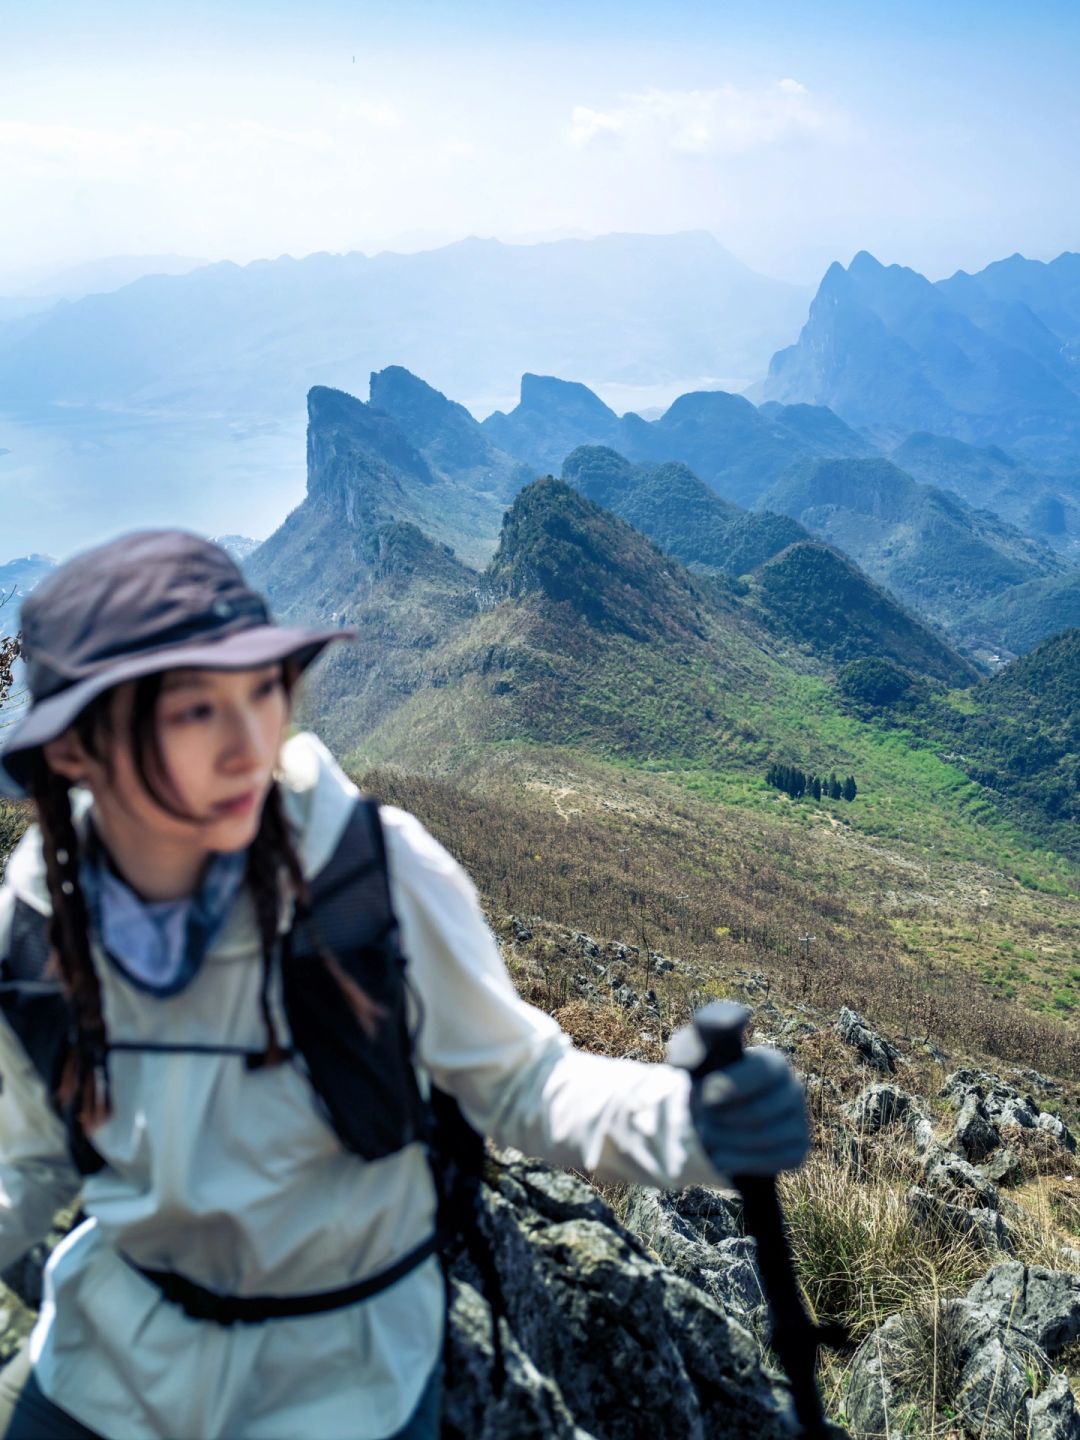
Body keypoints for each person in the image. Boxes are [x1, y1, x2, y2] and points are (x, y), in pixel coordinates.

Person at [0, 531, 810, 1440]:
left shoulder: (369, 876)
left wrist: (690, 1121)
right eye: (193, 713)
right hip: (104, 1368)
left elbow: (522, 1082)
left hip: (338, 1388)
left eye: (263, 692)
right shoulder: (37, 919)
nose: (249, 744)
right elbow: (22, 1161)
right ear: (76, 749)